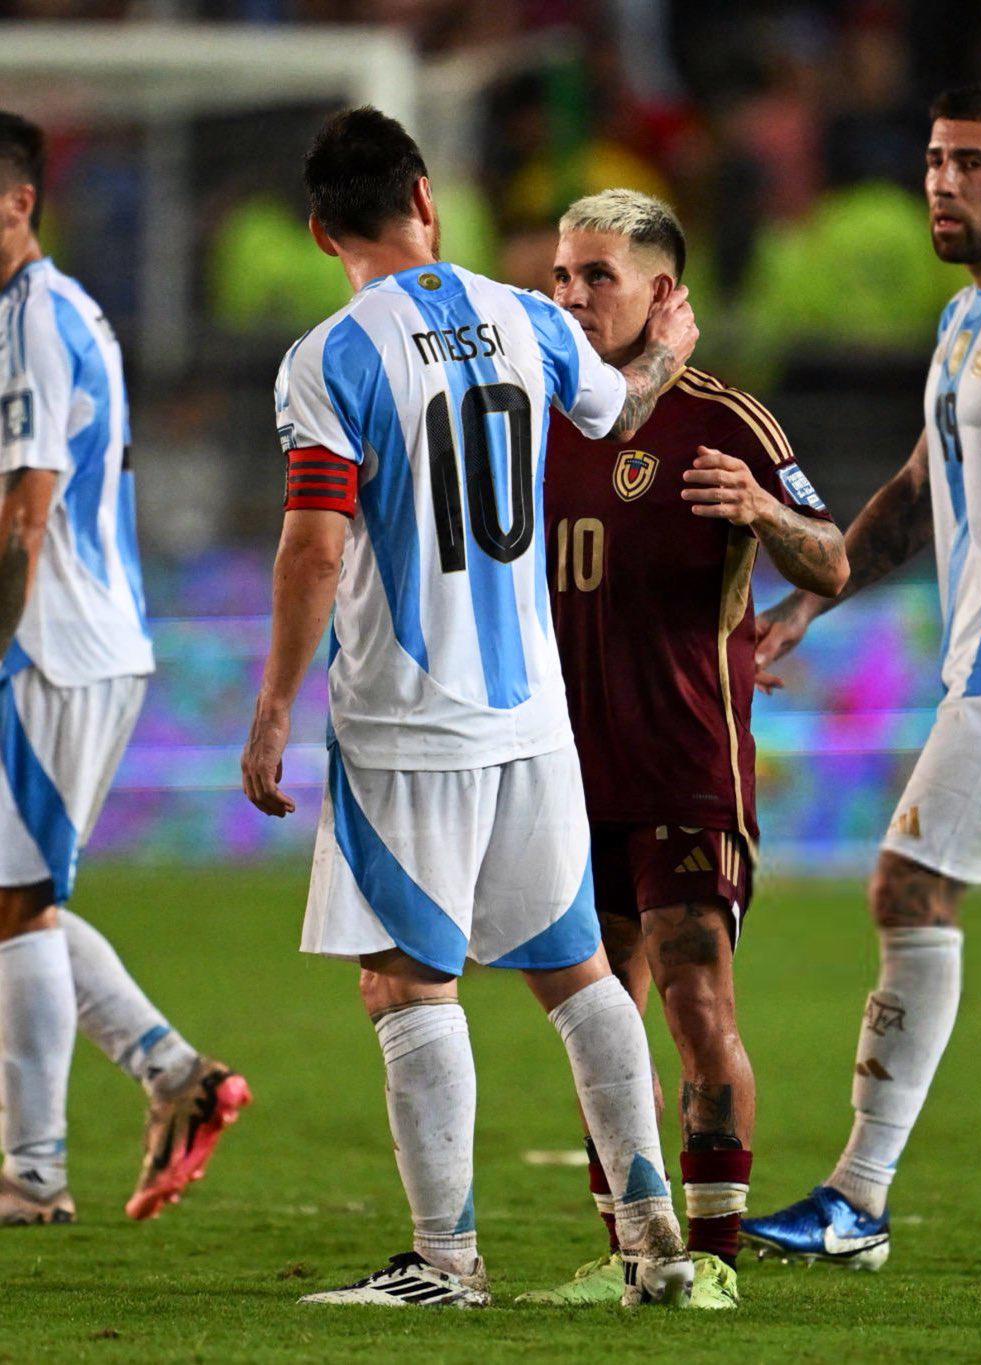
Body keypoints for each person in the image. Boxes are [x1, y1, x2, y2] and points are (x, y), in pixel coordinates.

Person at [241, 107, 701, 1310]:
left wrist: (274, 707)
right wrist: (664, 347)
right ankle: (657, 1241)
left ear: (317, 231)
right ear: (426, 198)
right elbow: (618, 408)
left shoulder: (331, 357)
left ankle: (446, 1264)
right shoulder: (528, 315)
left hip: (409, 720)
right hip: (532, 718)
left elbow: (312, 547)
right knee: (579, 973)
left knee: (404, 983)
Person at [514, 189, 847, 1310]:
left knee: (697, 999)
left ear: (662, 293)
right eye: (562, 274)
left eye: (596, 276)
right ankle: (628, 1250)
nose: (570, 295)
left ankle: (714, 1257)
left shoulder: (727, 422)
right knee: (596, 1011)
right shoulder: (532, 414)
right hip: (562, 772)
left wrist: (760, 507)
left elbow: (832, 563)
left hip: (684, 766)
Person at [742, 81, 981, 1268]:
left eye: (970, 162)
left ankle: (856, 1200)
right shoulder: (967, 320)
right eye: (931, 159)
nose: (940, 180)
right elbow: (920, 495)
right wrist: (813, 596)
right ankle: (855, 1204)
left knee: (907, 885)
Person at [0, 112, 250, 1227]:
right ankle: (174, 1077)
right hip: (66, 640)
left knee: (17, 904)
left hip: (44, 645)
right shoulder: (47, 314)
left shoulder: (30, 323)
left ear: (18, 202)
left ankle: (32, 1174)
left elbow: (24, 514)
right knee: (18, 899)